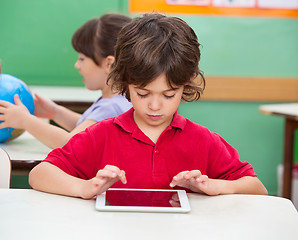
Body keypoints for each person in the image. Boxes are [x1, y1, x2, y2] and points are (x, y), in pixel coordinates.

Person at [29, 13, 268, 199]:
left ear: (185, 86)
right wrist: (84, 187)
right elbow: (40, 174)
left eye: (168, 94)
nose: (155, 106)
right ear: (125, 84)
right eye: (142, 93)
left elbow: (257, 188)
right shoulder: (101, 135)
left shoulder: (202, 140)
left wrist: (214, 186)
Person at [0, 14, 132, 149]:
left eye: (82, 59)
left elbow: (71, 144)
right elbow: (88, 128)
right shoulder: (120, 101)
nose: (76, 65)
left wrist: (25, 121)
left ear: (108, 64)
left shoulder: (111, 108)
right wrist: (56, 112)